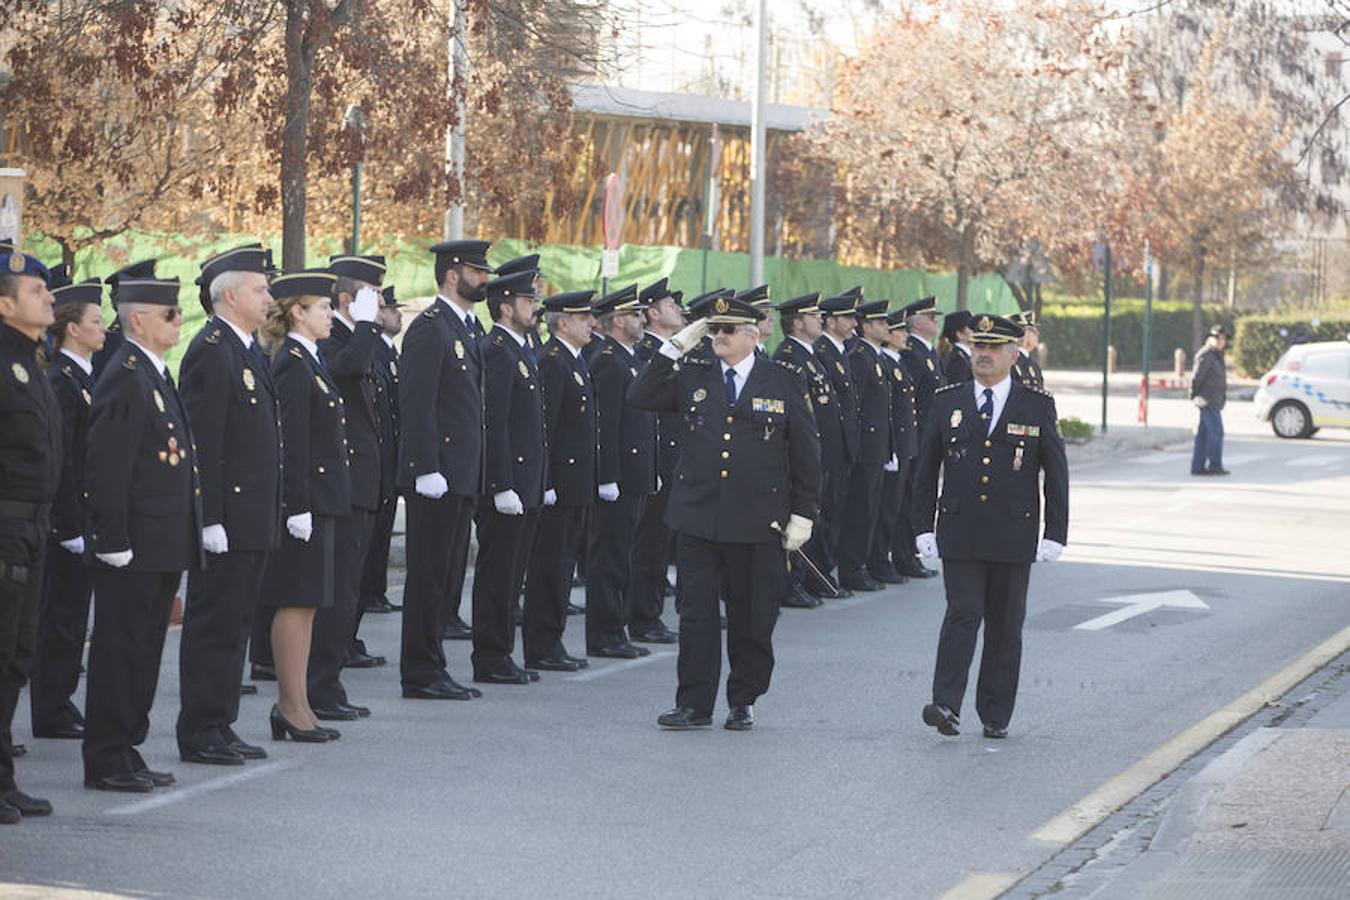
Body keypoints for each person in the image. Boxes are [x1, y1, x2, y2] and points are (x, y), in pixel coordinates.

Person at [629, 296, 820, 731]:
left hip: (758, 520)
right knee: (696, 615)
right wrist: (677, 344)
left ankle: (743, 698)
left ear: (752, 336)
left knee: (752, 617)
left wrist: (803, 514)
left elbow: (807, 452)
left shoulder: (783, 379)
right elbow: (640, 394)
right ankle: (693, 704)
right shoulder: (694, 372)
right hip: (698, 516)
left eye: (728, 330)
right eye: (714, 329)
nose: (719, 336)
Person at [914, 314, 1069, 740]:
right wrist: (922, 526)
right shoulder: (948, 401)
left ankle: (995, 713)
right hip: (960, 530)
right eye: (979, 346)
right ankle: (946, 704)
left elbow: (1056, 473)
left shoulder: (1036, 405)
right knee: (961, 614)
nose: (983, 354)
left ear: (1013, 355)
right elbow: (925, 470)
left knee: (1004, 625)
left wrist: (1055, 532)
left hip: (1012, 533)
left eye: (994, 348)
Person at [83, 273, 202, 791]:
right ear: (138, 320)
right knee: (121, 650)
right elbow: (108, 465)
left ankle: (127, 747)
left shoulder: (153, 373)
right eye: (169, 314)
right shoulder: (126, 376)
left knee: (145, 650)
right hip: (132, 545)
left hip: (160, 542)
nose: (179, 321)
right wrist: (111, 539)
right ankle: (106, 755)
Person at [175, 244, 281, 765]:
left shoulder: (245, 349)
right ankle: (199, 730)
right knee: (213, 624)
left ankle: (221, 721)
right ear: (232, 295)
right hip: (228, 518)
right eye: (260, 289)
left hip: (251, 516)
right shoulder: (212, 350)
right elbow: (204, 443)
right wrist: (209, 517)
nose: (269, 298)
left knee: (236, 623)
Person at [397, 240, 492, 700]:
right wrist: (425, 467)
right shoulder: (430, 328)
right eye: (477, 271)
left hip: (461, 473)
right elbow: (417, 403)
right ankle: (420, 671)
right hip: (437, 476)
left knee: (447, 577)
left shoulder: (466, 328)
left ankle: (434, 666)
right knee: (428, 577)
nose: (485, 279)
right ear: (452, 275)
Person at [258, 269, 349, 743]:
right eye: (324, 307)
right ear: (298, 312)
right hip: (304, 504)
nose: (331, 314)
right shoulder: (292, 363)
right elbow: (291, 441)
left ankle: (301, 705)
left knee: (309, 603)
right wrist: (297, 505)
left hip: (321, 499)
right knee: (295, 601)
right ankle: (290, 706)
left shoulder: (310, 359)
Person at [306, 254, 385, 721]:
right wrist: (367, 326)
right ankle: (319, 686)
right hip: (343, 482)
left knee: (350, 590)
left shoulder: (354, 335)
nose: (378, 304)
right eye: (370, 295)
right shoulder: (332, 337)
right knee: (335, 594)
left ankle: (329, 683)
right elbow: (350, 368)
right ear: (344, 299)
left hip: (362, 480)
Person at [30, 268, 103, 743]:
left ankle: (60, 698)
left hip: (86, 515)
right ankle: (50, 705)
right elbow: (65, 461)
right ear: (72, 328)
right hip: (68, 521)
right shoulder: (63, 380)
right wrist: (70, 524)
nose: (103, 327)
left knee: (74, 616)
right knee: (60, 616)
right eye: (95, 320)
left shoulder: (85, 377)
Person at [0, 248, 60, 821]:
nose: (49, 297)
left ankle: (3, 779)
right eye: (35, 291)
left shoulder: (31, 360)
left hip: (32, 527)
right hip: (5, 528)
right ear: (4, 304)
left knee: (17, 656)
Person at [523, 290, 597, 672]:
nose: (592, 324)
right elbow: (545, 429)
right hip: (559, 485)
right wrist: (547, 481)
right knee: (549, 567)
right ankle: (541, 644)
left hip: (576, 483)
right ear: (563, 323)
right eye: (584, 318)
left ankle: (552, 639)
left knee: (563, 565)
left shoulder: (573, 360)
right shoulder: (553, 362)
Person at [586, 283, 658, 659]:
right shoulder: (609, 361)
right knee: (609, 558)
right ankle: (605, 633)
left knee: (623, 555)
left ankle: (617, 629)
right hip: (619, 477)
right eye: (635, 314)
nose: (642, 319)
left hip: (635, 474)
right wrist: (607, 476)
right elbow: (606, 425)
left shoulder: (628, 358)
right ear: (616, 321)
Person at [629, 278, 684, 643]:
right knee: (649, 545)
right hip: (657, 461)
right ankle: (643, 618)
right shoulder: (648, 352)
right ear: (652, 314)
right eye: (670, 305)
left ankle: (651, 615)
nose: (678, 310)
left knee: (662, 544)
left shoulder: (673, 350)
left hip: (674, 461)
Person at [771, 292, 832, 608]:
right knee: (797, 517)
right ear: (797, 323)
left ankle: (802, 579)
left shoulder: (809, 355)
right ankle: (789, 583)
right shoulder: (789, 356)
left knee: (811, 516)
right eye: (813, 315)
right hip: (797, 452)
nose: (820, 319)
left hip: (815, 450)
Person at [838, 299, 897, 592]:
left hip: (877, 447)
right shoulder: (861, 357)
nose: (887, 327)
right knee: (860, 511)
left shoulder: (875, 357)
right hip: (864, 449)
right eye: (882, 322)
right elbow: (855, 407)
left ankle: (860, 565)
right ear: (867, 326)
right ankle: (851, 568)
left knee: (870, 509)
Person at [358, 284, 404, 617]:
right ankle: (370, 591)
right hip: (378, 450)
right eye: (390, 309)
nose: (397, 314)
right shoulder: (372, 349)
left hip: (389, 451)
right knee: (372, 533)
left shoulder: (389, 353)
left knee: (383, 528)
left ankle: (375, 590)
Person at [814, 290, 862, 592]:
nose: (854, 323)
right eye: (847, 317)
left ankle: (825, 572)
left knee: (835, 512)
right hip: (828, 446)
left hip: (842, 445)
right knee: (824, 513)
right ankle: (818, 574)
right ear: (830, 321)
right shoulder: (822, 351)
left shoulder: (840, 350)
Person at [868, 310, 919, 586]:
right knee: (885, 509)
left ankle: (885, 558)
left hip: (902, 444)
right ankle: (878, 560)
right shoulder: (885, 361)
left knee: (895, 507)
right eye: (899, 330)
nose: (904, 335)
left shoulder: (896, 362)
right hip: (891, 444)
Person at [898, 296, 945, 580]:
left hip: (928, 437)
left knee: (919, 495)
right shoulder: (912, 353)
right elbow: (911, 401)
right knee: (910, 498)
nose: (935, 320)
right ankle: (903, 554)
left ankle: (910, 553)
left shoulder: (928, 352)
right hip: (917, 436)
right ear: (915, 322)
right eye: (929, 316)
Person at [1190, 325, 1229, 477]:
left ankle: (1198, 466)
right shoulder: (1206, 355)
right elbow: (1197, 376)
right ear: (1210, 339)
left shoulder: (1216, 355)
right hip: (1207, 399)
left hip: (1214, 399)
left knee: (1204, 434)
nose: (1220, 341)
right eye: (1217, 338)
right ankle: (1215, 465)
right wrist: (1194, 395)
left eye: (1223, 338)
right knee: (1216, 433)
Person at [1010, 311, 1044, 391]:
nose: (1037, 334)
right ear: (1025, 334)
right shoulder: (1012, 362)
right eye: (1033, 331)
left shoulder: (1032, 362)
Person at [940, 309, 974, 384]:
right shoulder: (958, 360)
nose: (975, 330)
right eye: (970, 327)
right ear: (960, 334)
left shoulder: (965, 356)